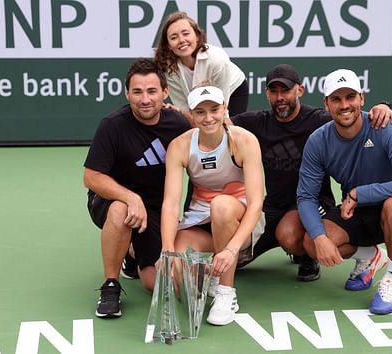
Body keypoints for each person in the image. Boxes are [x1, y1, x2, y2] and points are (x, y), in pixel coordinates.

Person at [230, 64, 392, 281]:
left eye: (286, 90)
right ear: (267, 94)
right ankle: (296, 248)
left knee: (288, 235)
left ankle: (311, 255)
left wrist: (383, 106)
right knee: (236, 258)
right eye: (274, 91)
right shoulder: (256, 122)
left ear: (300, 90)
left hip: (312, 202)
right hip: (273, 206)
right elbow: (217, 123)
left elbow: (354, 116)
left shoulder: (319, 120)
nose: (280, 97)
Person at [297, 69, 392, 314]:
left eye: (350, 97)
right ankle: (372, 256)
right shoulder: (318, 141)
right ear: (326, 104)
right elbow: (306, 197)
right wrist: (320, 237)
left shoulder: (386, 126)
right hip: (357, 213)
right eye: (336, 99)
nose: (344, 105)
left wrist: (358, 194)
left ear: (361, 98)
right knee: (310, 242)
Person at [83, 58, 191, 318]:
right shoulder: (112, 125)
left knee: (156, 283)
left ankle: (131, 252)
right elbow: (91, 176)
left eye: (152, 91)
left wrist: (187, 115)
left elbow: (208, 135)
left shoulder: (178, 124)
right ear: (126, 93)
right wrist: (130, 197)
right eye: (137, 91)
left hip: (156, 210)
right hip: (110, 203)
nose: (145, 99)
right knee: (122, 211)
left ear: (165, 93)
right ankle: (111, 286)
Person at [161, 85, 264, 326]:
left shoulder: (244, 140)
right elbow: (171, 203)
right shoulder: (180, 145)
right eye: (200, 112)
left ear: (225, 108)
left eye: (214, 110)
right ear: (191, 114)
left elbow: (257, 201)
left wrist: (230, 250)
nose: (208, 118)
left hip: (240, 220)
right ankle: (209, 275)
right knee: (180, 274)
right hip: (200, 221)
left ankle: (226, 292)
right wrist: (168, 251)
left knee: (221, 206)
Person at [154, 11, 248, 117]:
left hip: (234, 89)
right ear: (168, 45)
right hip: (198, 98)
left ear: (197, 36)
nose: (181, 40)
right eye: (174, 37)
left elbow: (222, 109)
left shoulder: (217, 60)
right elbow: (186, 109)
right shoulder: (167, 68)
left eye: (186, 34)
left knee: (227, 125)